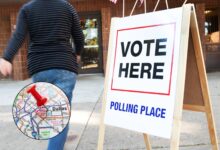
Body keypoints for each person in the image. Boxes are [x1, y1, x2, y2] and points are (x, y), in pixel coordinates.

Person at [0, 0, 84, 150]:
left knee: (50, 114)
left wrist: (7, 58)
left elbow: (18, 35)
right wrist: (77, 53)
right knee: (60, 117)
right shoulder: (67, 7)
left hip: (40, 68)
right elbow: (79, 37)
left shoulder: (27, 9)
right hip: (65, 66)